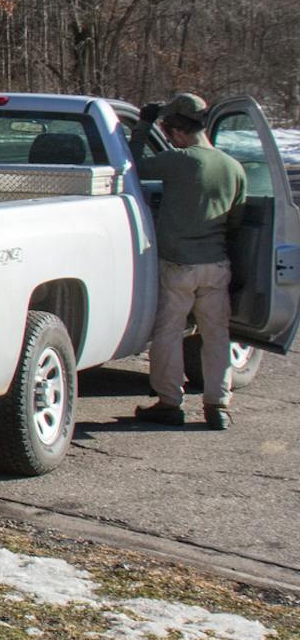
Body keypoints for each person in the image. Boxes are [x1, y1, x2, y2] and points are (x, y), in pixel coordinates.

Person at [132, 92, 249, 429]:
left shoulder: (181, 160)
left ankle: (169, 403)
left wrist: (142, 127)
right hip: (216, 266)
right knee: (216, 336)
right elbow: (237, 222)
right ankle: (218, 407)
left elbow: (132, 166)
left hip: (178, 265)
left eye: (169, 134)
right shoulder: (233, 167)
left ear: (178, 132)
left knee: (168, 332)